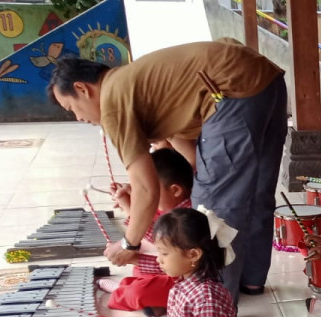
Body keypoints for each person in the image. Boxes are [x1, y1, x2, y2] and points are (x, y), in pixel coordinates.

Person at [48, 42, 288, 303]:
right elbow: (186, 152)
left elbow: (147, 189)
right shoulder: (132, 82)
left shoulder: (113, 103)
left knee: (211, 210)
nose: (79, 119)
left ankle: (215, 303)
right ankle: (250, 281)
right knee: (256, 190)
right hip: (264, 79)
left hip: (230, 91)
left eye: (72, 109)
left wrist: (129, 243)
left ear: (82, 89)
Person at [103, 148, 193, 314]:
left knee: (137, 293)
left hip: (179, 276)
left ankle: (121, 291)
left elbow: (170, 260)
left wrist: (132, 256)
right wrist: (128, 200)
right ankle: (151, 302)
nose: (141, 193)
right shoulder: (165, 206)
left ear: (175, 190)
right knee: (140, 283)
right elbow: (142, 233)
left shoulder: (186, 217)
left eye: (146, 189)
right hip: (156, 272)